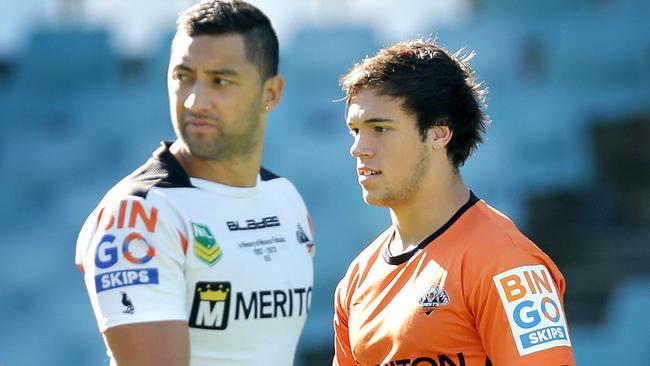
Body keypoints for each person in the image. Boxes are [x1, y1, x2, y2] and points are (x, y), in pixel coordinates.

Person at [75, 1, 315, 365]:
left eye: (220, 81)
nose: (194, 100)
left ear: (271, 94)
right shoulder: (137, 215)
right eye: (182, 76)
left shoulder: (286, 200)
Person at [332, 40, 575, 366]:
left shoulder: (507, 264)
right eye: (355, 130)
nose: (359, 148)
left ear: (438, 133)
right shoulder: (358, 278)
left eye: (380, 128)